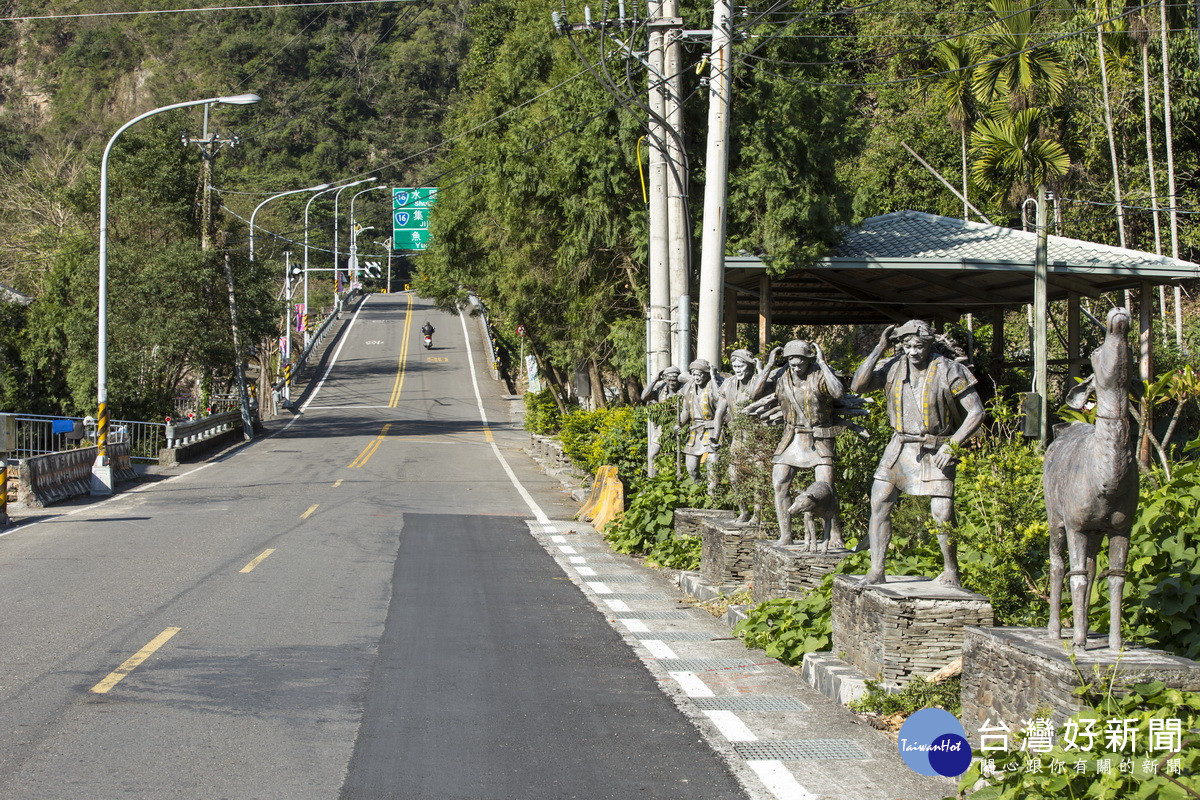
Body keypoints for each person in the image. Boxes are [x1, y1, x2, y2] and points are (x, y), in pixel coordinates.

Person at [850, 320, 985, 587]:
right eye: (907, 346)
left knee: (942, 512)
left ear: (929, 345)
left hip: (936, 448)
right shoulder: (893, 367)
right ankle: (877, 569)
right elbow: (858, 386)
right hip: (899, 447)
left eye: (919, 346)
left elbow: (976, 412)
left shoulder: (949, 370)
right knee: (879, 502)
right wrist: (879, 348)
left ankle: (951, 570)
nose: (913, 351)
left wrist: (953, 444)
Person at [770, 340, 845, 547]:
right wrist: (769, 366)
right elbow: (754, 394)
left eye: (800, 363)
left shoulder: (819, 375)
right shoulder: (781, 377)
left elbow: (838, 392)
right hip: (791, 438)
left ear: (808, 360)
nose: (796, 368)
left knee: (826, 488)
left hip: (818, 438)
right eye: (792, 363)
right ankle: (786, 534)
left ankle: (834, 535)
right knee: (779, 482)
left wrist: (823, 363)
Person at [713, 349, 775, 523]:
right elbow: (720, 413)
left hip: (759, 437)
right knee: (734, 475)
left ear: (749, 366)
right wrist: (715, 435)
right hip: (738, 438)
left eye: (741, 366)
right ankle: (743, 511)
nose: (738, 369)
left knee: (758, 475)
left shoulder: (760, 382)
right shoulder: (728, 384)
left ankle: (758, 514)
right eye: (735, 366)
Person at [678, 359, 721, 492]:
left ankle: (713, 493)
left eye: (700, 374)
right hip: (695, 432)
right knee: (691, 468)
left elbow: (719, 399)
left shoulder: (712, 385)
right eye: (694, 374)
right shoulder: (690, 388)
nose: (697, 377)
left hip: (712, 430)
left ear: (706, 374)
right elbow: (686, 410)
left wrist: (714, 377)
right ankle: (698, 491)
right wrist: (679, 423)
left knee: (712, 465)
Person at [640, 366, 684, 478]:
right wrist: (655, 380)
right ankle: (653, 480)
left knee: (679, 457)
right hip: (663, 427)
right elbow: (644, 396)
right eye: (669, 380)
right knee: (653, 454)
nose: (672, 383)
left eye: (674, 380)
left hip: (681, 425)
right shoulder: (661, 389)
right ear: (665, 379)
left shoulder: (684, 389)